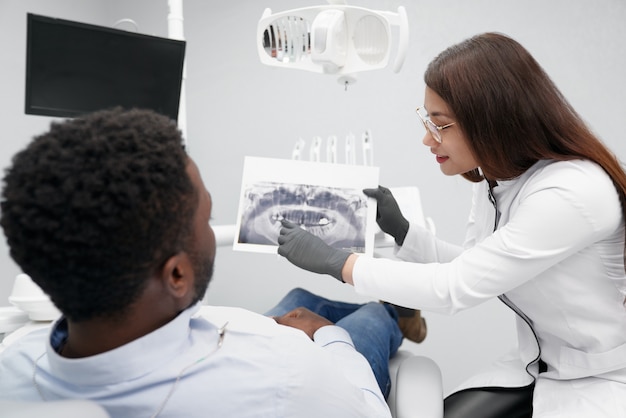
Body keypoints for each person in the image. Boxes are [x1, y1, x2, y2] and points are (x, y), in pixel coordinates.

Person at [276, 32, 626, 417]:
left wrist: (339, 263)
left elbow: (454, 288)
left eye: (440, 124)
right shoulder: (496, 179)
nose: (427, 139)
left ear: (492, 121)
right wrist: (405, 233)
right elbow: (478, 265)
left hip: (603, 379)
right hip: (539, 364)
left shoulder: (572, 193)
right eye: (426, 120)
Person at [0, 107, 418, 417]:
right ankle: (393, 315)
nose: (212, 226)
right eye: (208, 216)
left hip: (221, 338)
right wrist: (330, 338)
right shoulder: (284, 379)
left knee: (296, 300)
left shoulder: (13, 362)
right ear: (177, 274)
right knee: (363, 322)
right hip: (300, 362)